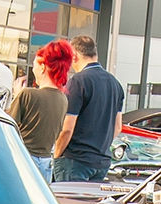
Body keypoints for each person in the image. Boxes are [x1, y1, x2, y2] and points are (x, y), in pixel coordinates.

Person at [52, 35, 124, 182]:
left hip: (75, 160)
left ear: (75, 55)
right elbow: (117, 127)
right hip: (102, 162)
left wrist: (56, 155)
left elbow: (67, 128)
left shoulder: (78, 82)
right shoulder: (116, 84)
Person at [7, 39, 71, 182]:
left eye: (35, 64)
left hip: (24, 158)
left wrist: (17, 95)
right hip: (46, 161)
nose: (33, 68)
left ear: (43, 67)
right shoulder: (63, 99)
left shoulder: (28, 94)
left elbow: (9, 127)